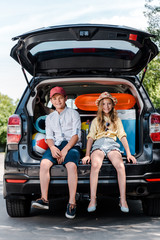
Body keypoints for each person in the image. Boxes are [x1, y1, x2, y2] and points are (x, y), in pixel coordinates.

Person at [82, 92, 136, 213]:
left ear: (112, 105)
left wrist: (128, 153)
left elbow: (122, 136)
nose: (106, 106)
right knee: (95, 165)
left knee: (120, 166)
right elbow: (90, 137)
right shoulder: (96, 120)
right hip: (99, 144)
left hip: (112, 144)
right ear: (100, 106)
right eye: (104, 104)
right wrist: (86, 155)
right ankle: (93, 199)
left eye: (109, 104)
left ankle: (123, 199)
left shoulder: (116, 120)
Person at [32, 86, 81, 219]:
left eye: (60, 98)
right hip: (56, 145)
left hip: (71, 145)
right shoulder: (49, 118)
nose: (58, 101)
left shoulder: (73, 114)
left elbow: (76, 135)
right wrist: (52, 148)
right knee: (44, 164)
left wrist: (65, 151)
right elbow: (48, 137)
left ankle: (72, 203)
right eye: (55, 99)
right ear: (51, 101)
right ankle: (44, 199)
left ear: (65, 99)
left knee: (71, 165)